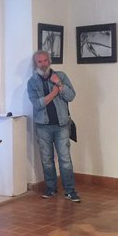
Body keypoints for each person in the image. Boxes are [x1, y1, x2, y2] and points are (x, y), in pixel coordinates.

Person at [27, 50, 81, 202]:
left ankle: (70, 191)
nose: (43, 64)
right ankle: (51, 189)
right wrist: (54, 93)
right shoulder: (32, 83)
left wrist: (59, 84)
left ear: (49, 61)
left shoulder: (61, 76)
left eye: (45, 61)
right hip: (42, 126)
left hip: (62, 124)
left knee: (65, 159)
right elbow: (37, 105)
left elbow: (71, 96)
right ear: (35, 64)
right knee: (47, 159)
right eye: (40, 61)